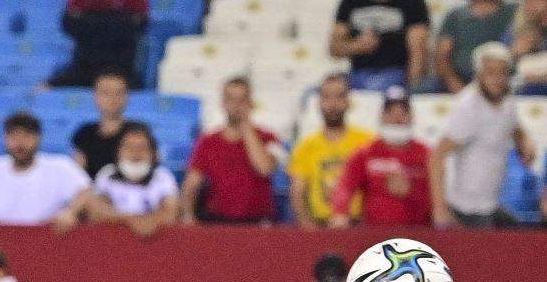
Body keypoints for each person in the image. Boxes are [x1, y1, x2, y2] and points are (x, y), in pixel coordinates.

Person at [430, 43, 533, 229]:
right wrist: (441, 209)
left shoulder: (507, 100)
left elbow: (514, 127)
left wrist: (525, 142)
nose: (497, 79)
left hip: (491, 204)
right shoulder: (468, 108)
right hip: (467, 208)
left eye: (502, 72)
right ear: (478, 74)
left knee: (526, 242)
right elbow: (437, 156)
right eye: (490, 72)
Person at [330, 0, 430, 93]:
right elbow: (334, 48)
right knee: (314, 93)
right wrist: (357, 46)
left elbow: (418, 51)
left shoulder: (412, 0)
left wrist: (409, 92)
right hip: (356, 74)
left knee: (374, 89)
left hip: (395, 73)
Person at [181, 76, 284, 225]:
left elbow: (264, 168)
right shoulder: (207, 141)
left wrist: (246, 128)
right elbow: (192, 182)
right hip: (217, 221)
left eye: (242, 100)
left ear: (250, 103)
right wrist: (188, 214)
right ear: (223, 103)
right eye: (231, 99)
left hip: (257, 222)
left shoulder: (269, 138)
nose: (236, 106)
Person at [49, 0, 148, 89]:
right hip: (82, 70)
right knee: (43, 91)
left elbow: (134, 28)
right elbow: (69, 27)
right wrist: (115, 22)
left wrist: (88, 22)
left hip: (121, 72)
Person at [330, 89, 431, 228]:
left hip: (418, 231)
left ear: (412, 116)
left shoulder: (426, 155)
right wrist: (340, 212)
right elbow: (345, 187)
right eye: (391, 112)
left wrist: (411, 192)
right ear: (382, 116)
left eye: (403, 113)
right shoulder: (366, 153)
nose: (397, 119)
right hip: (374, 233)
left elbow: (438, 199)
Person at [287, 73, 373, 230]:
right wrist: (310, 229)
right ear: (319, 102)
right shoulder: (306, 146)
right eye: (326, 97)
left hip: (359, 228)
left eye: (339, 97)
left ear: (348, 102)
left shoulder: (367, 142)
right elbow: (298, 194)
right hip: (320, 226)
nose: (333, 104)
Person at [433, 0, 515, 93]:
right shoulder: (455, 16)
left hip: (505, 83)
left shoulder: (516, 13)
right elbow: (441, 56)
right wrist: (454, 84)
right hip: (458, 83)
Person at [86, 122, 179, 239]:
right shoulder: (108, 174)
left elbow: (171, 213)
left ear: (153, 154)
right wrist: (131, 220)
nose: (135, 154)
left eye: (142, 148)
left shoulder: (162, 176)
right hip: (111, 243)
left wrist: (150, 221)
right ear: (118, 152)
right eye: (129, 147)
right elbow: (96, 211)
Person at [70, 70, 137, 178]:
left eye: (118, 93)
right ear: (95, 97)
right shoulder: (85, 133)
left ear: (127, 97)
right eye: (106, 93)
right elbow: (77, 174)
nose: (112, 99)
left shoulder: (138, 132)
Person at [509, 0, 547, 95]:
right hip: (523, 93)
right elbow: (501, 61)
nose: (533, 5)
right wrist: (513, 53)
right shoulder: (514, 29)